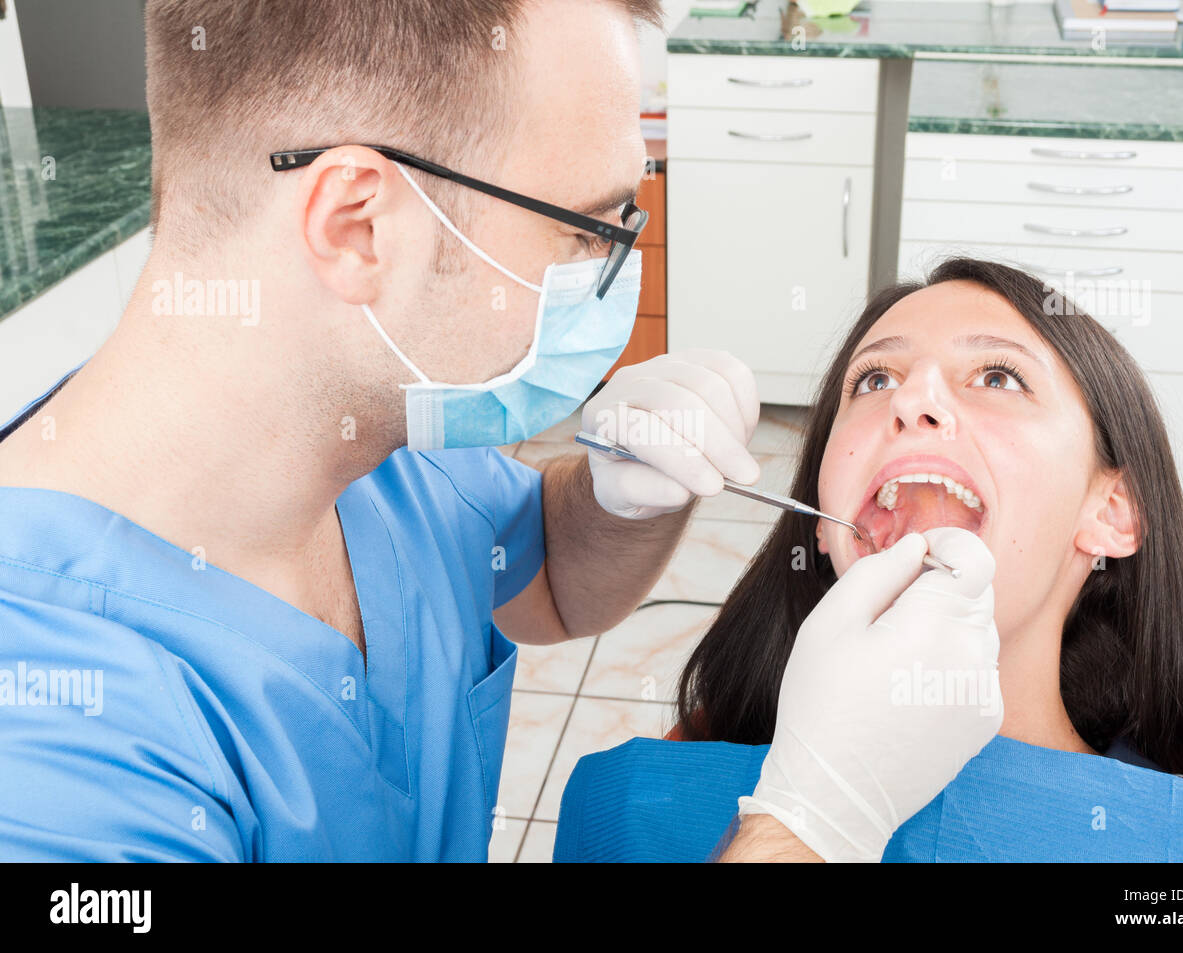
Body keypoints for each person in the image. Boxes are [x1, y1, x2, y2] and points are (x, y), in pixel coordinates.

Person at [0, 0, 777, 861]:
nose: (609, 275)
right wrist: (809, 821)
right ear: (359, 226)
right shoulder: (52, 750)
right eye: (587, 229)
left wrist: (622, 497)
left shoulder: (386, 434)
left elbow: (550, 579)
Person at [555, 258, 1183, 863]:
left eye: (999, 376)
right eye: (874, 379)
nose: (912, 399)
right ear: (822, 527)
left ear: (1113, 512)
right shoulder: (655, 788)